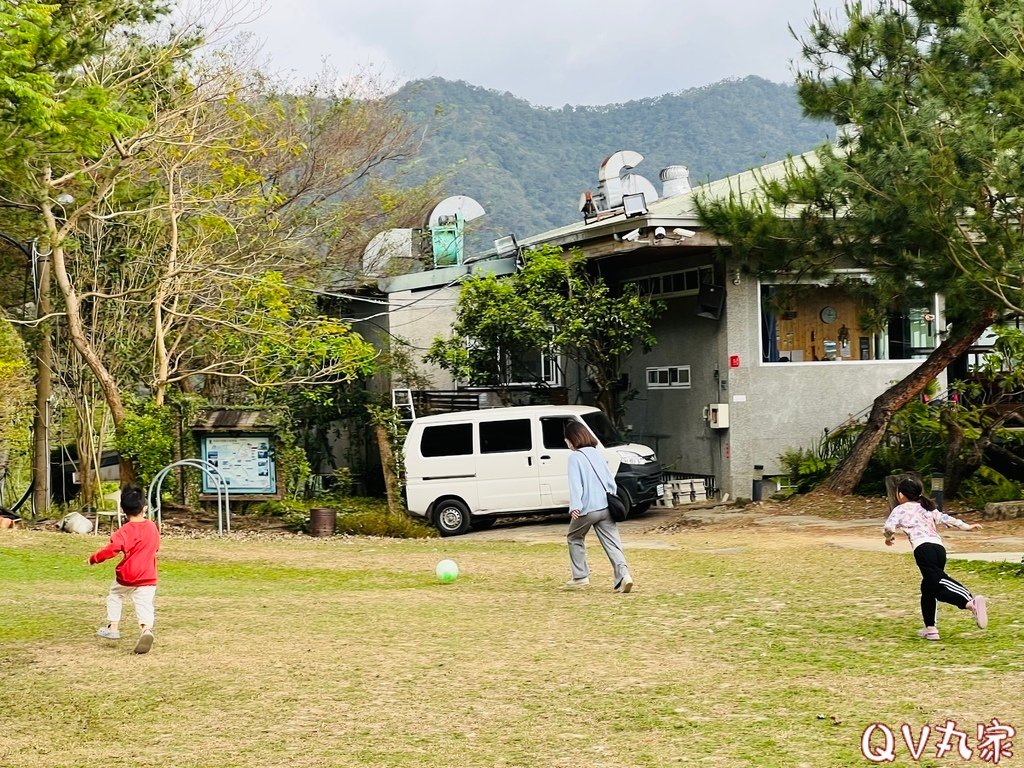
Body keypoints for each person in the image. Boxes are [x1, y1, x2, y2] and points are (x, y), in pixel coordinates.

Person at [883, 476, 987, 641]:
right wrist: (967, 527)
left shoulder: (900, 509)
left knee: (939, 581)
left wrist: (889, 539)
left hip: (923, 549)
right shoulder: (927, 507)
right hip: (939, 549)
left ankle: (970, 601)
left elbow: (889, 528)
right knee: (928, 589)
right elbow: (946, 519)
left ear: (900, 495)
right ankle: (930, 629)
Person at [88, 484, 160, 654]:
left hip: (127, 575)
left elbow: (111, 550)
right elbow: (156, 547)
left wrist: (94, 558)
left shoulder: (123, 531)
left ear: (122, 509)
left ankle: (113, 627)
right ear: (144, 508)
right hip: (148, 575)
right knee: (144, 604)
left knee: (115, 594)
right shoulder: (152, 527)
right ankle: (146, 629)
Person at [563, 421, 634, 593]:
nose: (568, 445)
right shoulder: (596, 453)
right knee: (612, 543)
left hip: (588, 509)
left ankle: (580, 577)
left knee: (574, 537)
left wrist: (575, 506)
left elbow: (575, 485)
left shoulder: (575, 457)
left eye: (567, 441)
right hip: (606, 506)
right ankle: (624, 576)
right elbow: (610, 481)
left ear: (573, 439)